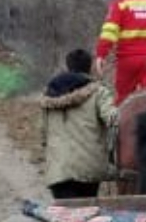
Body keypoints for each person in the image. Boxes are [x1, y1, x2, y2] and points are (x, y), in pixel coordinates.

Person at [39, 47, 115, 200]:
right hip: (89, 169)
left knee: (66, 218)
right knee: (87, 215)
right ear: (90, 67)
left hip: (58, 171)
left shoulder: (48, 95)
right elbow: (113, 120)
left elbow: (43, 134)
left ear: (68, 66)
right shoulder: (99, 92)